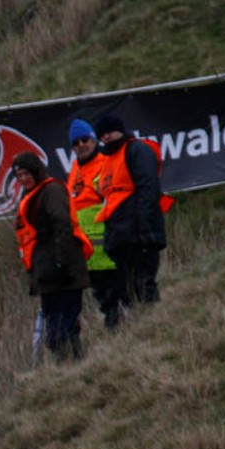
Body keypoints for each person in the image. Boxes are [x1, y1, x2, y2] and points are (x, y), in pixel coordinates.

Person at [8, 152, 88, 362]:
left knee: (63, 321)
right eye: (19, 175)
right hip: (46, 269)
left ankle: (67, 362)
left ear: (36, 171)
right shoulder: (30, 196)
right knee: (58, 319)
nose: (23, 179)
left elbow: (62, 225)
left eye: (26, 173)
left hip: (62, 268)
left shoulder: (51, 191)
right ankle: (72, 361)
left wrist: (62, 261)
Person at [94, 113, 167, 307]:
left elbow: (149, 189)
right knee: (129, 291)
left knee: (144, 285)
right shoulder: (108, 160)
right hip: (120, 237)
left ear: (120, 130)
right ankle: (143, 321)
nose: (105, 137)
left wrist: (145, 229)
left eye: (109, 131)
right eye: (101, 134)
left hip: (139, 234)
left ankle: (154, 319)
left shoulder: (137, 150)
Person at [64, 119, 125, 329]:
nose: (81, 145)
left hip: (110, 250)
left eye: (84, 140)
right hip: (89, 255)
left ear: (93, 140)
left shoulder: (106, 162)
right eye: (76, 143)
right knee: (104, 302)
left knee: (119, 300)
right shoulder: (75, 168)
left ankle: (126, 334)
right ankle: (117, 334)